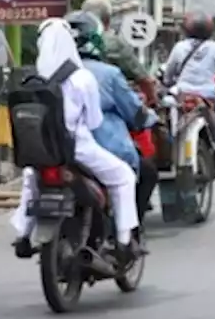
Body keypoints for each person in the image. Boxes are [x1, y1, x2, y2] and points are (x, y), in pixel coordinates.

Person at [10, 18, 142, 263]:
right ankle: (123, 241)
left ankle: (22, 235)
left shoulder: (31, 79)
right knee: (123, 177)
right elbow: (94, 122)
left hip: (41, 151)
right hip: (78, 149)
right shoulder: (82, 78)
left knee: (31, 181)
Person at [66, 12, 160, 218]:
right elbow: (136, 113)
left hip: (54, 152)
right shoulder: (108, 74)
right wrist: (149, 117)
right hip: (102, 148)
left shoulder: (48, 73)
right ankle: (127, 235)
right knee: (142, 174)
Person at [163, 11, 215, 162]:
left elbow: (168, 75)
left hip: (183, 97)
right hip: (207, 98)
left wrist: (168, 82)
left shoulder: (179, 47)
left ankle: (169, 152)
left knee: (167, 119)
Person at [80, 0, 158, 105]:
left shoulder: (71, 38)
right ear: (107, 20)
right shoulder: (113, 42)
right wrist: (152, 100)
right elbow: (142, 79)